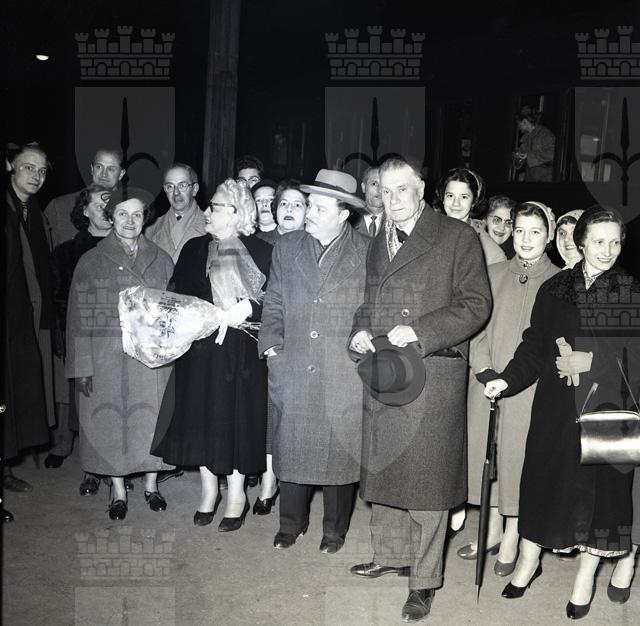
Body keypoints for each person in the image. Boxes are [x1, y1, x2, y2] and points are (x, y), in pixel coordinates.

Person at [349, 157, 492, 622]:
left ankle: (424, 581)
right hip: (387, 370)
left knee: (428, 485)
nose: (391, 200)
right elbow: (369, 301)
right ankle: (391, 555)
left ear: (421, 189)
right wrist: (358, 331)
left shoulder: (456, 236)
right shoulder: (379, 238)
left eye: (401, 190)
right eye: (384, 190)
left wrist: (422, 331)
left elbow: (476, 305)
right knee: (387, 470)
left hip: (432, 371)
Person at [484, 206, 639, 619]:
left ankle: (585, 577)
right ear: (580, 241)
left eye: (615, 242)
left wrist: (595, 363)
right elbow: (534, 345)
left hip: (611, 411)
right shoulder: (555, 288)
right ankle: (528, 560)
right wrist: (507, 379)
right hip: (556, 407)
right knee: (545, 484)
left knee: (602, 499)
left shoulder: (629, 291)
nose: (607, 250)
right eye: (599, 241)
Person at [151, 179, 272, 531]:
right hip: (200, 352)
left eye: (215, 206)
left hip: (241, 355)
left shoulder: (261, 251)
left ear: (235, 212)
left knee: (235, 421)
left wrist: (249, 307)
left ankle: (236, 495)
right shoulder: (194, 248)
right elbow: (176, 295)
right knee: (201, 419)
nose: (206, 211)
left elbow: (275, 299)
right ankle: (208, 491)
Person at [258, 169, 369, 553]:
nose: (309, 213)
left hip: (343, 368)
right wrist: (272, 346)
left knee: (340, 453)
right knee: (291, 447)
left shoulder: (367, 251)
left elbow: (374, 307)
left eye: (320, 208)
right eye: (310, 205)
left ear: (344, 214)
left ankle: (334, 530)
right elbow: (273, 299)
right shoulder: (287, 246)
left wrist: (361, 344)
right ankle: (291, 523)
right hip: (293, 364)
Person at [459, 202, 559, 575]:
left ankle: (513, 538)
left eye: (535, 232)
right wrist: (484, 369)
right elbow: (476, 327)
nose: (526, 239)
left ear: (549, 237)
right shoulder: (492, 273)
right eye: (519, 230)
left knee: (518, 461)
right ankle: (490, 530)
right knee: (487, 459)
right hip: (485, 383)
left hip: (529, 390)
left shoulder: (559, 282)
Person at [65, 194, 174, 521]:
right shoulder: (90, 261)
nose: (130, 221)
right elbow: (77, 318)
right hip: (107, 357)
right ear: (111, 217)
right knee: (111, 424)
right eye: (123, 214)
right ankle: (118, 491)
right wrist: (82, 367)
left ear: (146, 219)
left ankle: (151, 485)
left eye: (137, 215)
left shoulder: (161, 258)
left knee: (151, 421)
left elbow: (173, 310)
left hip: (151, 359)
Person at [47, 185, 112, 496]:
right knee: (86, 409)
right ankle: (91, 471)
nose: (106, 210)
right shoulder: (66, 253)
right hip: (84, 341)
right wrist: (65, 340)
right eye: (99, 204)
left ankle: (116, 469)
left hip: (117, 342)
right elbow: (58, 302)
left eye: (110, 203)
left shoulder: (127, 247)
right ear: (84, 211)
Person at [3, 143, 55, 520]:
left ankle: (5, 468)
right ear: (10, 166)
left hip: (22, 316)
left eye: (42, 170)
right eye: (28, 167)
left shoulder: (32, 210)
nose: (35, 176)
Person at [44, 148, 125, 248]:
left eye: (111, 169)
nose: (104, 174)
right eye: (99, 167)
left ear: (121, 174)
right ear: (92, 169)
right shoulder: (59, 206)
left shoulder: (132, 209)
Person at [433, 167, 506, 266]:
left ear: (474, 201)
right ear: (442, 198)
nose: (456, 203)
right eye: (450, 195)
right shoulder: (428, 231)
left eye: (464, 197)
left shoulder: (489, 251)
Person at [145, 163, 207, 263]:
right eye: (170, 186)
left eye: (182, 185)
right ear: (165, 190)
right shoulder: (151, 229)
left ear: (194, 189)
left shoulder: (211, 228)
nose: (176, 193)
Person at [256, 179, 307, 246]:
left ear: (307, 213)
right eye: (284, 203)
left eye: (297, 205)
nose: (289, 209)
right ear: (276, 209)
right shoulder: (257, 241)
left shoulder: (316, 245)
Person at [514, 106, 555, 183]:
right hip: (530, 178)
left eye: (519, 124)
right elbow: (521, 162)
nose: (518, 127)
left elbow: (553, 154)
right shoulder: (525, 138)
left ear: (524, 122)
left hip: (544, 179)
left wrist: (528, 156)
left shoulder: (545, 134)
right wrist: (518, 157)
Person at [353, 166, 384, 238]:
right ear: (363, 187)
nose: (380, 190)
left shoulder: (397, 221)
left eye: (384, 184)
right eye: (374, 184)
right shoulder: (349, 220)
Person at [484, 195, 517, 259]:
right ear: (485, 220)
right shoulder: (473, 244)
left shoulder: (518, 256)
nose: (502, 228)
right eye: (497, 220)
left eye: (508, 222)